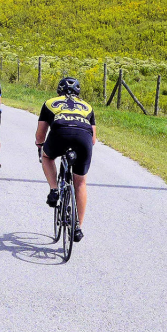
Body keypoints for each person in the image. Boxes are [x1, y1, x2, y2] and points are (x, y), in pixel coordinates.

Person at [35, 77, 96, 243]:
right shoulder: (87, 106)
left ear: (58, 91)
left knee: (47, 157)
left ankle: (54, 189)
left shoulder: (50, 103)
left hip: (60, 133)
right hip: (83, 139)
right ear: (78, 92)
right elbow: (93, 139)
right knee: (80, 183)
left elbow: (41, 134)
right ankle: (77, 227)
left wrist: (40, 146)